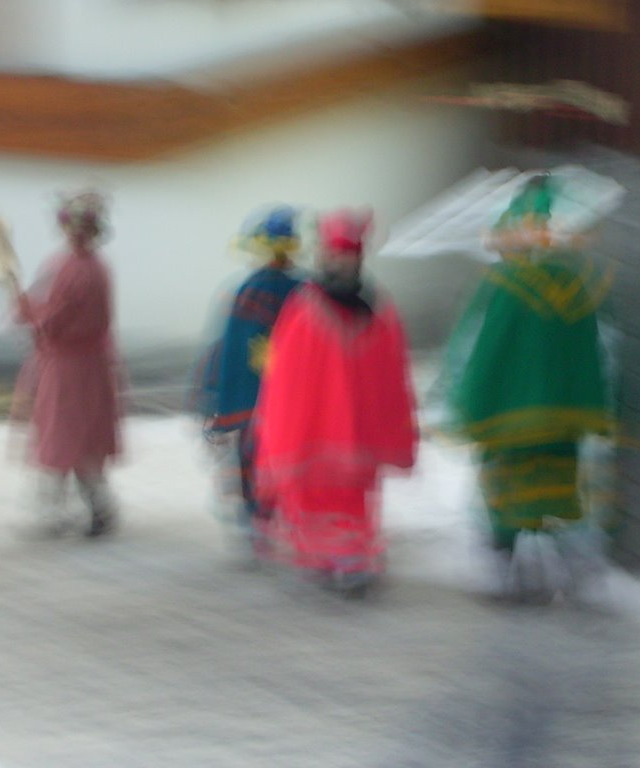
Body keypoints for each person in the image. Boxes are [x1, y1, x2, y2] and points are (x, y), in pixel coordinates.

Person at [440, 172, 617, 601]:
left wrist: (469, 401)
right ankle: (557, 566)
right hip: (561, 415)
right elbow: (594, 352)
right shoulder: (578, 283)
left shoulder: (502, 284)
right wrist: (591, 402)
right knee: (553, 488)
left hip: (508, 417)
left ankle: (507, 567)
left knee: (507, 494)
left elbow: (481, 347)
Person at [254, 208, 417, 594]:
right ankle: (329, 557)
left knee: (352, 495)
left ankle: (350, 557)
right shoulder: (308, 307)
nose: (340, 262)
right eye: (335, 254)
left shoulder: (376, 308)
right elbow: (287, 377)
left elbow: (391, 374)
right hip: (317, 431)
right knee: (321, 493)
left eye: (348, 255)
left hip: (349, 431)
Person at [10, 191, 122, 538]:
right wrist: (31, 309)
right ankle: (89, 509)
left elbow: (56, 317)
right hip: (84, 366)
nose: (75, 233)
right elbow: (51, 308)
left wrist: (32, 316)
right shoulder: (86, 267)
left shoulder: (76, 270)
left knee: (65, 437)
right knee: (74, 439)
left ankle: (76, 511)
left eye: (81, 227)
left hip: (71, 369)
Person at [197, 205, 305, 554]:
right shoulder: (307, 290)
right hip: (294, 395)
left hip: (254, 395)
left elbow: (228, 350)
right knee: (287, 455)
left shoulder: (249, 291)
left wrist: (215, 394)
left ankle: (256, 520)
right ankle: (280, 517)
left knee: (253, 456)